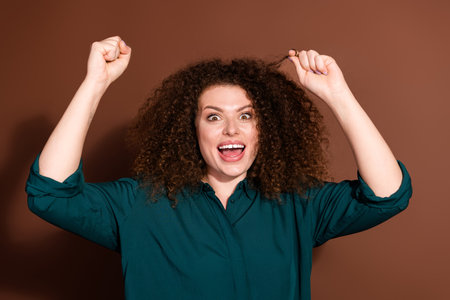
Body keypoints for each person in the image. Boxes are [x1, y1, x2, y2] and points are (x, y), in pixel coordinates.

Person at [25, 36, 412, 300]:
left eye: (246, 116)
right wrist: (95, 83)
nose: (231, 128)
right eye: (213, 117)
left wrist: (338, 95)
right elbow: (49, 193)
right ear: (189, 129)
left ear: (265, 129)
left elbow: (387, 195)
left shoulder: (299, 202)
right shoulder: (139, 204)